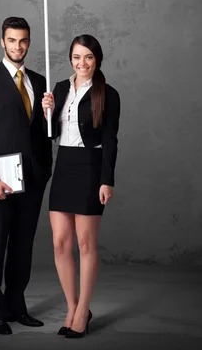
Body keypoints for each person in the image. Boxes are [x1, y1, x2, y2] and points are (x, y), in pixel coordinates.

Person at [0, 16, 52, 335]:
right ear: (2, 42)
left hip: (32, 178)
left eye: (24, 40)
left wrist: (50, 114)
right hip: (0, 180)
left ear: (29, 42)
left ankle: (16, 305)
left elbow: (48, 133)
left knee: (23, 245)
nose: (18, 46)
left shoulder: (40, 82)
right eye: (12, 40)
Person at [42, 34, 120, 339]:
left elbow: (111, 139)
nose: (82, 63)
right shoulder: (61, 88)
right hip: (64, 166)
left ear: (97, 59)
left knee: (86, 244)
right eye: (76, 57)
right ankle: (74, 308)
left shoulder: (108, 93)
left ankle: (83, 310)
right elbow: (52, 135)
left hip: (91, 168)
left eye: (88, 57)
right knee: (60, 242)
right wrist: (47, 111)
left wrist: (106, 180)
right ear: (70, 58)